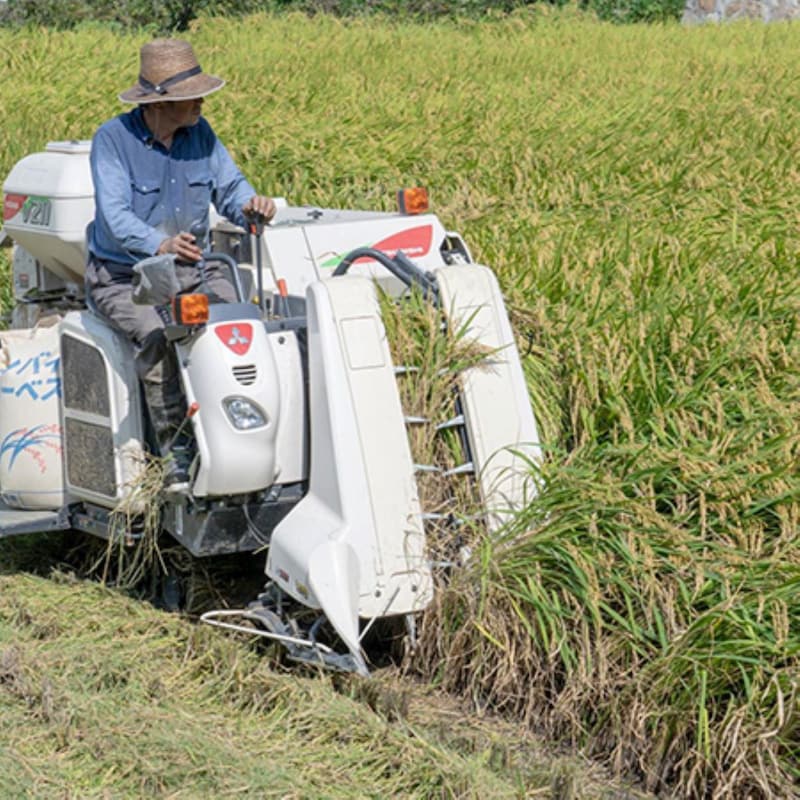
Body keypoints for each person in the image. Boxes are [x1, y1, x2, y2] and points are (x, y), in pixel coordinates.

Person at [86, 38, 275, 486]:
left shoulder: (201, 134)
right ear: (160, 103)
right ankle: (175, 451)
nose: (202, 103)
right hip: (125, 275)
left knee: (237, 324)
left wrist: (252, 206)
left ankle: (237, 436)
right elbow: (114, 219)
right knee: (157, 335)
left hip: (196, 266)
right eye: (193, 96)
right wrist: (160, 244)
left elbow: (231, 189)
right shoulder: (112, 141)